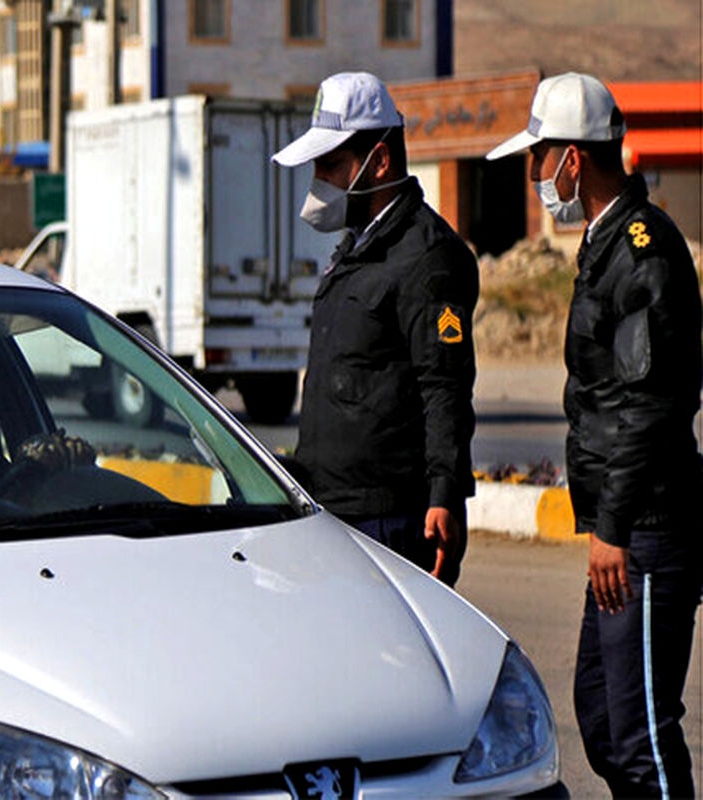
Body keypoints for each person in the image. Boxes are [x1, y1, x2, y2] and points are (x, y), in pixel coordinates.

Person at [487, 72, 702, 799]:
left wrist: (611, 527)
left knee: (640, 734)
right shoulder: (604, 243)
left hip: (645, 528)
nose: (534, 174)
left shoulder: (641, 250)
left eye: (538, 156)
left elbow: (649, 405)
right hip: (622, 527)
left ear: (572, 160)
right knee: (604, 724)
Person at [271, 71, 477, 585]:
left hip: (391, 523)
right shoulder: (357, 248)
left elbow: (445, 388)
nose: (319, 178)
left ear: (379, 161)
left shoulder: (427, 258)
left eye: (330, 163)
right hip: (333, 514)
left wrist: (445, 496)